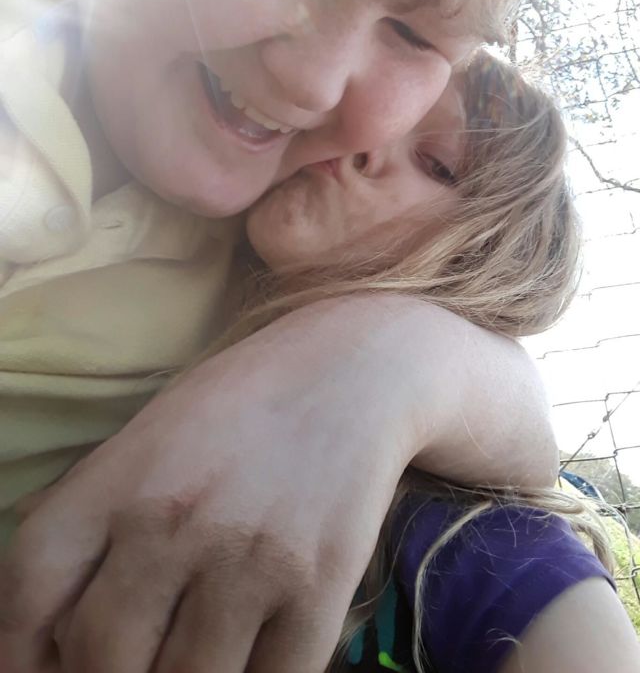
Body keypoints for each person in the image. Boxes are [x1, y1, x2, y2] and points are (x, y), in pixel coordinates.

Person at [0, 0, 584, 671]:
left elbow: (531, 476)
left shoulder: (254, 248)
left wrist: (385, 367)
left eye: (414, 36)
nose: (315, 86)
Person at [218, 51, 639, 673]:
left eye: (436, 162)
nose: (363, 143)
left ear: (480, 262)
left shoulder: (474, 541)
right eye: (377, 116)